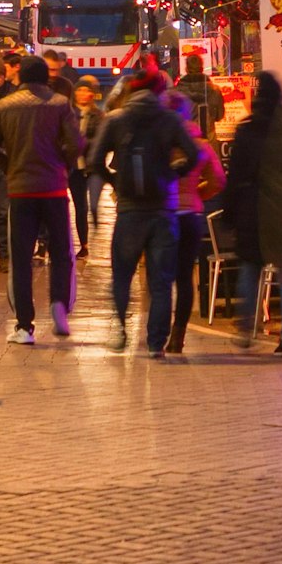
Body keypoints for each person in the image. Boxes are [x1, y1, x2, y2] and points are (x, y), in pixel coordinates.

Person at [86, 64, 191, 355]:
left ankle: (120, 329)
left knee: (122, 274)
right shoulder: (169, 119)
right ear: (160, 90)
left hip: (129, 210)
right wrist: (172, 174)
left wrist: (115, 181)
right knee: (161, 280)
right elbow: (192, 155)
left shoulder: (116, 118)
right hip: (163, 210)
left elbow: (95, 161)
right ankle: (156, 343)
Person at [0, 53, 80, 343]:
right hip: (54, 188)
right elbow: (76, 143)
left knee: (21, 259)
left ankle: (25, 326)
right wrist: (62, 164)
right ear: (45, 77)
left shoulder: (2, 107)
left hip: (20, 190)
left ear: (20, 77)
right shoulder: (60, 104)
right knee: (61, 251)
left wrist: (9, 165)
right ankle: (59, 304)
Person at [220, 70, 282, 352]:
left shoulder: (247, 130)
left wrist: (228, 212)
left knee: (250, 270)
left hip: (252, 208)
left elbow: (235, 176)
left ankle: (247, 327)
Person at [160, 104, 226, 359]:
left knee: (161, 277)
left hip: (164, 213)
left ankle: (158, 333)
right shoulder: (201, 145)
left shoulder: (161, 141)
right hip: (191, 215)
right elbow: (219, 180)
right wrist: (198, 194)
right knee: (185, 277)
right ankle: (178, 337)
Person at [68, 75, 108, 253]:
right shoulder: (68, 114)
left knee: (92, 204)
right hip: (74, 166)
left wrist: (84, 143)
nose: (83, 94)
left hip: (92, 166)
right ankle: (83, 244)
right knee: (80, 206)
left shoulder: (98, 115)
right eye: (80, 90)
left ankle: (96, 225)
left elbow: (101, 140)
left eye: (87, 90)